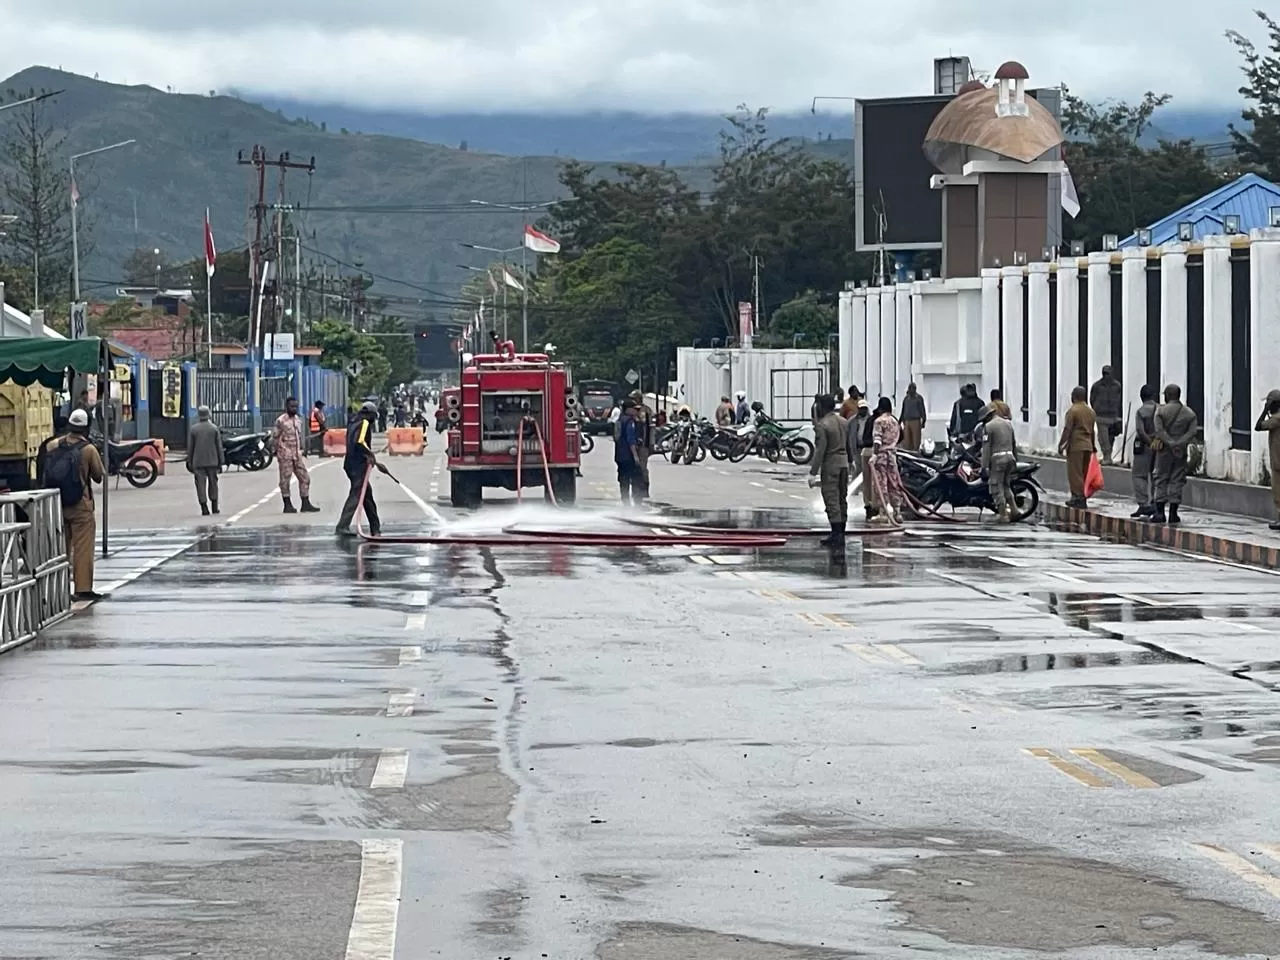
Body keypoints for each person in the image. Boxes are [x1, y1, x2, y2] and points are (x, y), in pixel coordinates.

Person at [41, 409, 104, 600]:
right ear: (85, 427)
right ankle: (82, 589)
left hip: (57, 503)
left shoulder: (53, 445)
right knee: (82, 548)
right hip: (80, 505)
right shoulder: (89, 449)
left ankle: (58, 590)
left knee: (60, 548)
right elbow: (98, 476)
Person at [336, 402, 387, 536]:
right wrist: (370, 454)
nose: (374, 420)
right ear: (369, 414)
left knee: (367, 498)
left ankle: (375, 529)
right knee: (357, 495)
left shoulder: (353, 421)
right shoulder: (364, 423)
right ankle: (342, 526)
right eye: (373, 416)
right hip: (357, 464)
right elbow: (359, 441)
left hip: (350, 463)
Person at [1150, 384, 1199, 525]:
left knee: (1160, 477)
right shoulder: (1189, 413)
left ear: (1167, 395)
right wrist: (1179, 444)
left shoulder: (1160, 411)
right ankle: (1173, 512)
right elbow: (1192, 432)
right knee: (1177, 479)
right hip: (1180, 452)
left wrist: (1170, 443)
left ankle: (1159, 512)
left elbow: (1159, 431)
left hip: (1164, 450)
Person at [808, 393, 849, 547]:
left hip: (831, 464)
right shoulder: (844, 422)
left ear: (823, 407)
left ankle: (836, 533)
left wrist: (813, 472)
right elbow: (849, 444)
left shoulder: (823, 425)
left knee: (831, 498)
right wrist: (850, 461)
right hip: (844, 463)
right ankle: (841, 532)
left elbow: (820, 451)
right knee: (842, 498)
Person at [273, 397, 320, 514]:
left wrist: (301, 450)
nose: (294, 409)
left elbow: (299, 437)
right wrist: (279, 452)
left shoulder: (298, 420)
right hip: (285, 455)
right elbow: (275, 438)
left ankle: (305, 503)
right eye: (291, 406)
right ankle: (287, 504)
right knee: (285, 481)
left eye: (295, 406)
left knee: (305, 478)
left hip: (297, 455)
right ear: (286, 407)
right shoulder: (281, 421)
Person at [1058, 386, 1097, 508]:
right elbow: (1092, 431)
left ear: (1074, 396)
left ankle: (1078, 497)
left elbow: (1067, 429)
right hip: (1088, 445)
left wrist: (1061, 444)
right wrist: (1093, 445)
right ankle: (1082, 496)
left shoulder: (1073, 411)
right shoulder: (1091, 411)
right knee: (1084, 472)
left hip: (1076, 445)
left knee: (1075, 473)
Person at [869, 397, 906, 524]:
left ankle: (883, 512)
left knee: (881, 484)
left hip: (881, 457)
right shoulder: (895, 421)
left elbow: (877, 440)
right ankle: (897, 512)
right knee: (894, 484)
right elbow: (901, 436)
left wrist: (874, 454)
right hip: (892, 456)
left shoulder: (879, 421)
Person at [979, 404, 1017, 522]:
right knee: (1006, 485)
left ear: (987, 416)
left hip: (997, 459)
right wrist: (1016, 459)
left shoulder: (988, 427)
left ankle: (1003, 514)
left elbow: (986, 448)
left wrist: (984, 466)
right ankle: (1014, 510)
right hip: (1010, 457)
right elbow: (1014, 443)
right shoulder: (1007, 424)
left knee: (996, 486)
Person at [186, 405, 225, 517]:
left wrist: (190, 461)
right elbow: (219, 446)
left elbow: (191, 448)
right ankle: (214, 507)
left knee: (200, 485)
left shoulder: (194, 429)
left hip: (198, 462)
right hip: (213, 461)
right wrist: (221, 461)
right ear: (209, 414)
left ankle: (204, 508)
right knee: (213, 484)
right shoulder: (214, 428)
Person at [1131, 385, 1158, 518]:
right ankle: (1155, 502)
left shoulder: (1141, 411)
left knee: (1139, 475)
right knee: (1155, 475)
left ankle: (1144, 504)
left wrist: (1150, 442)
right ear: (1153, 396)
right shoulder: (1160, 409)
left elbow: (1140, 431)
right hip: (1160, 446)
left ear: (1141, 397)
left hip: (1145, 447)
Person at [1090, 365, 1123, 465]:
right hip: (1101, 416)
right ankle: (1107, 457)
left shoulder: (1117, 385)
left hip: (1113, 415)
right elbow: (1092, 399)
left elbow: (1119, 399)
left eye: (1108, 373)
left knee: (1111, 437)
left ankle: (1107, 455)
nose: (1106, 376)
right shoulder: (1097, 386)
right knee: (1103, 438)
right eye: (1105, 373)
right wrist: (1097, 409)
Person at [1256, 389, 1280, 530]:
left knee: (1278, 492)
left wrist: (1265, 410)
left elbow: (1258, 426)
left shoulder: (1276, 419)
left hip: (1278, 461)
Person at [614, 399, 643, 505]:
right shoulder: (630, 422)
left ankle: (625, 502)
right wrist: (635, 456)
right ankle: (637, 503)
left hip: (619, 456)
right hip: (628, 456)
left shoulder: (619, 420)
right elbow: (631, 440)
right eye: (634, 409)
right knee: (636, 479)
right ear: (629, 409)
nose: (636, 411)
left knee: (623, 480)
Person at [846, 397, 871, 489]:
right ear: (858, 409)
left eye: (864, 409)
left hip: (867, 448)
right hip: (856, 448)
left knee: (867, 469)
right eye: (861, 409)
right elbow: (848, 434)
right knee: (857, 468)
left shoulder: (871, 420)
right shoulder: (852, 421)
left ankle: (866, 489)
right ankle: (855, 489)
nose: (863, 411)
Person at [900, 382, 926, 452]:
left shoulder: (919, 398)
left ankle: (915, 452)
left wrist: (924, 421)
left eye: (913, 388)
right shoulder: (906, 399)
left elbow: (922, 410)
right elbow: (903, 410)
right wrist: (900, 421)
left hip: (915, 421)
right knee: (907, 441)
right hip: (907, 421)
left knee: (916, 440)